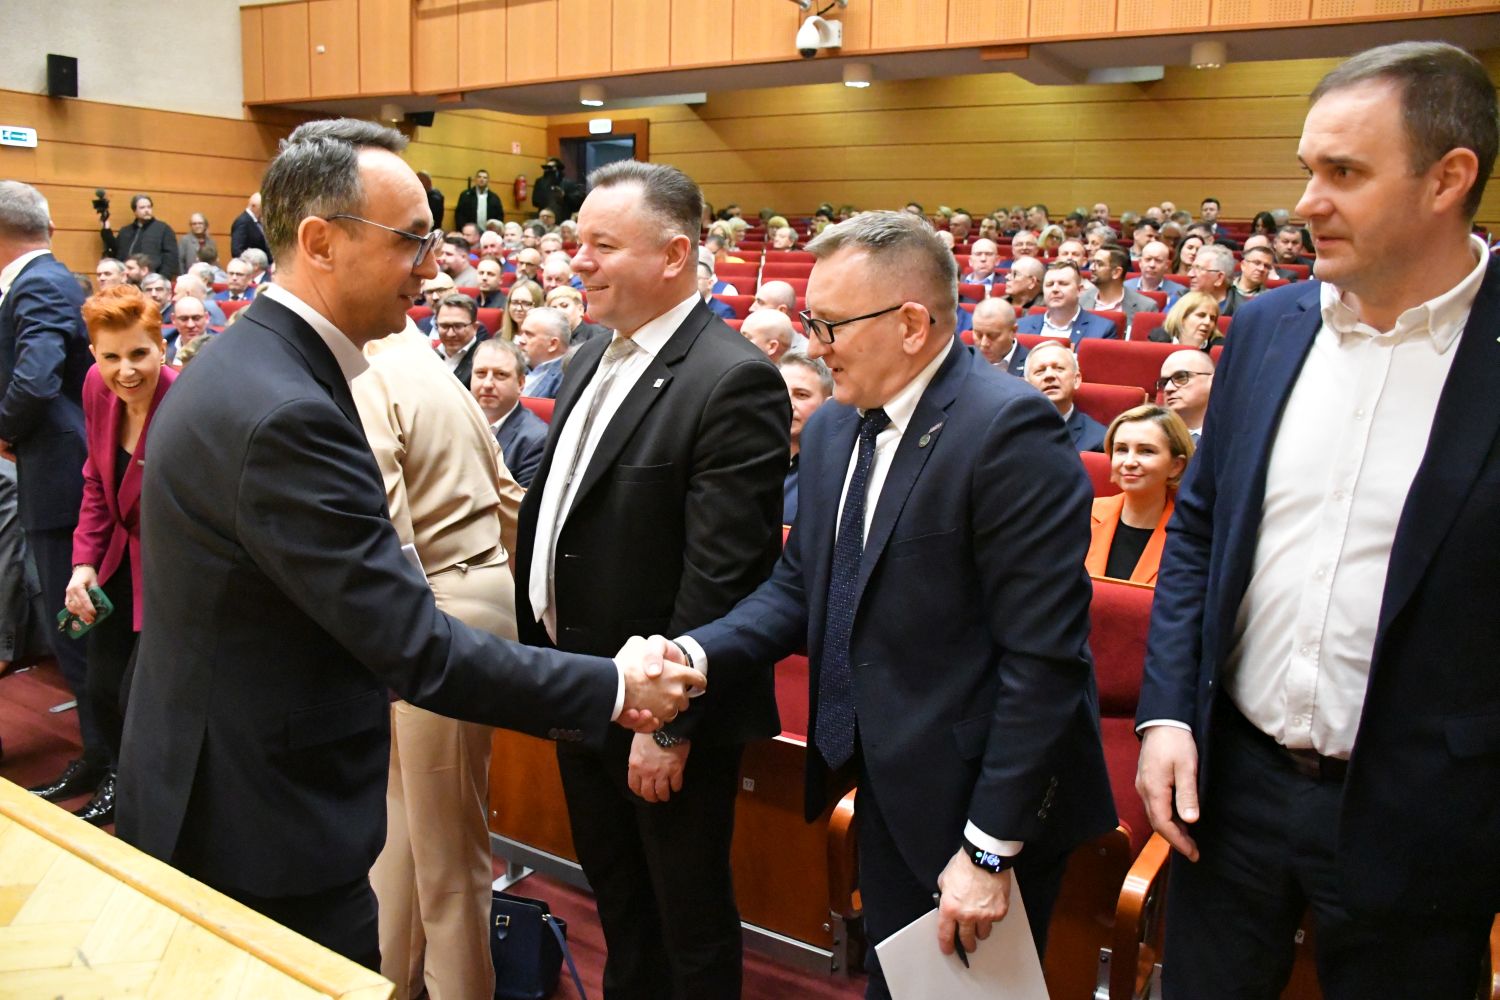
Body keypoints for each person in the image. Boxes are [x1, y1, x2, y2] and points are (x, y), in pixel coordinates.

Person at [114, 119, 701, 967]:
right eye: (410, 241)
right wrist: (615, 685)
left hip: (230, 777)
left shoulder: (257, 362)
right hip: (260, 818)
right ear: (321, 242)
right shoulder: (287, 412)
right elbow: (416, 648)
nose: (430, 269)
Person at [1136, 42, 1500, 1000]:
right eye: (1308, 169)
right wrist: (1168, 712)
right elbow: (1200, 532)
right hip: (1231, 790)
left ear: (1447, 180)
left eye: (1344, 173)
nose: (1306, 203)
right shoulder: (1269, 326)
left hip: (1425, 817)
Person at [676, 211, 1114, 1000]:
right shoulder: (834, 428)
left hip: (981, 802)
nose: (816, 346)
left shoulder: (1007, 430)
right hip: (888, 777)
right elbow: (801, 586)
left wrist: (989, 849)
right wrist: (693, 654)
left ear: (912, 324)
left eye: (831, 325)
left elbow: (1043, 662)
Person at [513, 160, 790, 1000]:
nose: (578, 261)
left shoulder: (731, 377)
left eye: (602, 245)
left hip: (661, 709)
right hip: (585, 684)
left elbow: (722, 574)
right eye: (577, 242)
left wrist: (667, 727)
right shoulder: (590, 351)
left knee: (686, 917)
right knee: (620, 901)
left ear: (674, 256)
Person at [354, 323, 524, 1000]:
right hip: (471, 592)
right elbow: (509, 501)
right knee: (403, 830)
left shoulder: (370, 377)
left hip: (433, 609)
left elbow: (386, 536)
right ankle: (386, 982)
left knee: (448, 847)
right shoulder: (436, 372)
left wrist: (396, 638)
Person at [0, 181, 103, 805]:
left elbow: (36, 381)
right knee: (74, 634)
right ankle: (99, 757)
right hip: (55, 474)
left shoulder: (37, 283)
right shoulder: (47, 278)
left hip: (61, 478)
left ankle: (113, 767)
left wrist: (3, 429)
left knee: (82, 629)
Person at [61, 283, 177, 826]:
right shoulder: (94, 386)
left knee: (139, 693)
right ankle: (109, 771)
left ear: (162, 348)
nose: (125, 371)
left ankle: (134, 790)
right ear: (94, 356)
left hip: (170, 571)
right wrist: (84, 562)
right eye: (111, 357)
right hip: (114, 560)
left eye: (138, 354)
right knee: (101, 682)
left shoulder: (184, 401)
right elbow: (95, 479)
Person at [1084, 405, 1192, 585]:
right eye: (1121, 449)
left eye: (1146, 451)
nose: (1129, 462)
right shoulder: (1084, 514)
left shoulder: (1192, 531)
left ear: (1176, 466)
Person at [471, 338, 546, 489]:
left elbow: (522, 502)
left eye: (500, 375)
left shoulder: (538, 440)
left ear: (521, 383)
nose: (487, 384)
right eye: (481, 373)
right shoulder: (454, 423)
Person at [778, 351, 831, 525]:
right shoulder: (745, 456)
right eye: (780, 392)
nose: (788, 404)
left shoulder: (833, 473)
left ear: (828, 404)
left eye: (801, 395)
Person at [1025, 340, 1106, 451]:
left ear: (1076, 380)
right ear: (1026, 385)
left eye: (1059, 369)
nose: (1049, 375)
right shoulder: (1009, 431)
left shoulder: (1098, 440)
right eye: (1040, 371)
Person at [1017, 262, 1116, 347]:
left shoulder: (1102, 329)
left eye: (1063, 284)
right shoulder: (1021, 326)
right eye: (1049, 284)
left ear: (1079, 290)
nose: (1055, 289)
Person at [101, 194, 179, 282]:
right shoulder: (125, 231)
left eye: (149, 207)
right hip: (127, 279)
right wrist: (106, 230)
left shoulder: (163, 229)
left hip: (152, 280)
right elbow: (116, 252)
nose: (147, 210)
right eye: (142, 208)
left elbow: (171, 257)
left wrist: (162, 278)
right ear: (135, 211)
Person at [1157, 349, 1214, 443]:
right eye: (1164, 383)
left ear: (1213, 381)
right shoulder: (1150, 436)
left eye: (1181, 377)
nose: (1168, 388)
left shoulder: (1234, 434)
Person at [515, 305, 571, 399]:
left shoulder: (566, 379)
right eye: (522, 333)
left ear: (552, 344)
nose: (521, 340)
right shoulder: (517, 367)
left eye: (529, 335)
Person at [432, 292, 483, 386]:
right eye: (444, 326)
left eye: (458, 326)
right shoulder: (428, 355)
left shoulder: (488, 358)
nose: (450, 334)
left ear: (475, 327)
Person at [971, 297, 1025, 376]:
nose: (984, 344)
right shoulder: (963, 359)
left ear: (1013, 331)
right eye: (978, 335)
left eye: (993, 336)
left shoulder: (1032, 364)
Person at [1148, 291, 1223, 349]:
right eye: (1201, 315)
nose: (1207, 322)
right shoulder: (1159, 340)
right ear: (1182, 317)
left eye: (1212, 318)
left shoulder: (1220, 347)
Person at [545, 284, 608, 349]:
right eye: (554, 308)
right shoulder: (549, 340)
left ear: (580, 309)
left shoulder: (599, 335)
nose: (559, 311)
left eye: (564, 306)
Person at [454, 169, 501, 233]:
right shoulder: (466, 195)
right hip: (469, 233)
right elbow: (459, 215)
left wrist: (495, 232)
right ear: (475, 179)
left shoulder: (494, 198)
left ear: (488, 180)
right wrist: (463, 230)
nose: (482, 179)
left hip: (488, 233)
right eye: (479, 177)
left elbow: (499, 217)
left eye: (485, 178)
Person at [230, 192, 272, 263]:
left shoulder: (258, 221)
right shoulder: (242, 222)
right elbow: (237, 251)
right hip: (252, 266)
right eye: (263, 206)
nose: (266, 209)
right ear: (253, 206)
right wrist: (252, 263)